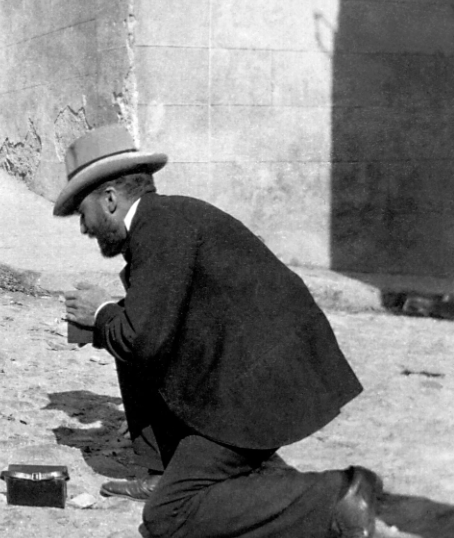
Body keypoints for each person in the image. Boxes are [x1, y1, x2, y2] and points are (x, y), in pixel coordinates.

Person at [55, 124, 381, 538]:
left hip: (252, 394)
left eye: (83, 214)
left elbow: (142, 339)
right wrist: (104, 321)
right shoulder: (162, 221)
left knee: (168, 517)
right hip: (242, 382)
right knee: (121, 321)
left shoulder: (159, 229)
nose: (84, 228)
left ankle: (337, 496)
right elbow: (150, 330)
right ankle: (173, 471)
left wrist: (100, 314)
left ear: (110, 199)